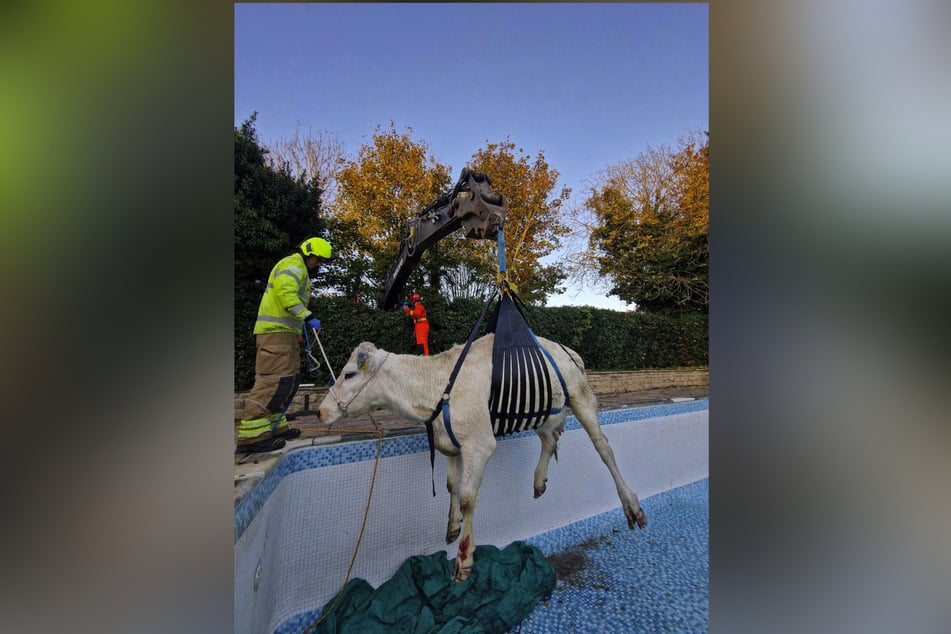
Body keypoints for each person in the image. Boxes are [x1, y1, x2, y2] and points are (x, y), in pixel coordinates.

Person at [236, 237, 332, 454]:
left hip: (284, 335)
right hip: (274, 335)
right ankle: (251, 438)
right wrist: (307, 316)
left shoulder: (298, 268)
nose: (319, 264)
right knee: (272, 381)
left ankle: (275, 428)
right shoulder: (292, 265)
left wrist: (297, 330)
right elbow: (285, 293)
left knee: (286, 382)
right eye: (318, 259)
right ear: (308, 254)